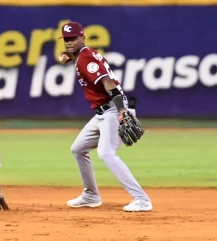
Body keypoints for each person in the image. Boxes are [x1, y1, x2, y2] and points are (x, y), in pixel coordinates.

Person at [58, 21, 152, 212]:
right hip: (102, 113)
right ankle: (91, 195)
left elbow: (108, 83)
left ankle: (141, 199)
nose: (69, 42)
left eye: (73, 39)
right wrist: (70, 56)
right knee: (78, 149)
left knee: (106, 153)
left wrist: (122, 111)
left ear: (82, 37)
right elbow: (85, 60)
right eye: (66, 39)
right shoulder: (83, 56)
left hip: (113, 109)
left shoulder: (86, 58)